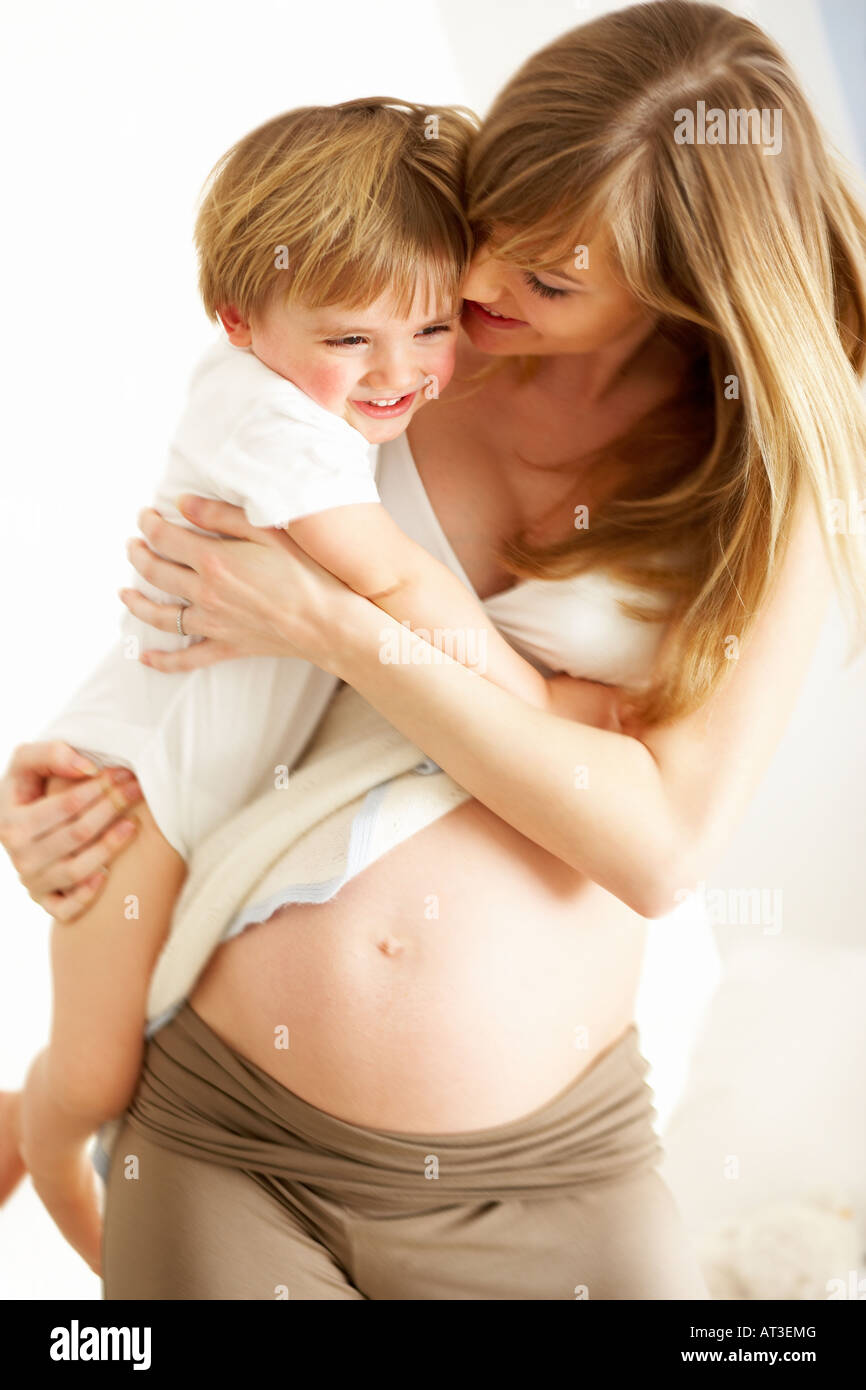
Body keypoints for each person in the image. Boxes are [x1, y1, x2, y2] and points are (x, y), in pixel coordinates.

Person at [2, 0, 865, 1298]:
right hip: (235, 1115)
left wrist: (334, 625)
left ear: (684, 282)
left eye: (550, 280)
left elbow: (657, 846)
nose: (476, 289)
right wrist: (80, 774)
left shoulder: (775, 466)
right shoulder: (389, 339)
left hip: (559, 1159)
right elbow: (200, 642)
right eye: (486, 233)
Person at [0, 98, 556, 1273]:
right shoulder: (266, 419)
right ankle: (38, 1142)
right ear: (239, 321)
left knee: (135, 1030)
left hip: (214, 777)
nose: (400, 373)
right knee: (97, 1068)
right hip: (137, 783)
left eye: (427, 326)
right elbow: (393, 580)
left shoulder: (312, 386)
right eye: (351, 338)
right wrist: (523, 695)